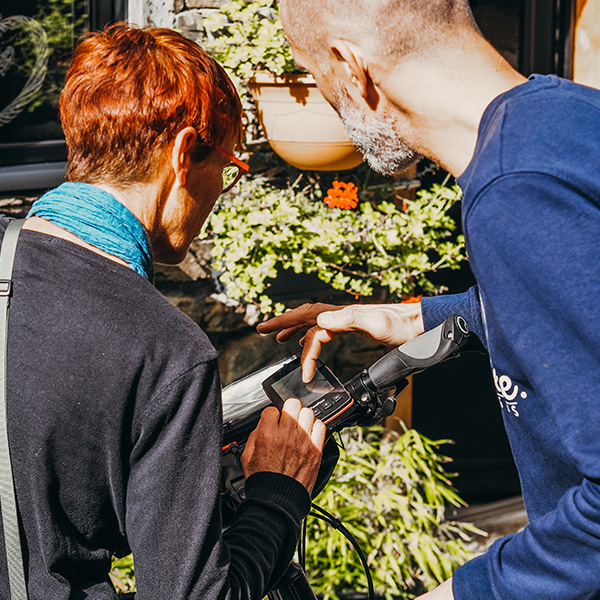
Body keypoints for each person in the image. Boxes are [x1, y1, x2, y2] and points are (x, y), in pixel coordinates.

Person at [258, 1, 600, 599]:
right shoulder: (566, 117)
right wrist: (414, 316)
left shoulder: (516, 192)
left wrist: (463, 593)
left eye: (313, 77)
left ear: (350, 67)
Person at [0, 24, 326, 599]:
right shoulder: (163, 350)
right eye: (226, 166)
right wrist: (279, 492)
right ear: (182, 153)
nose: (219, 191)